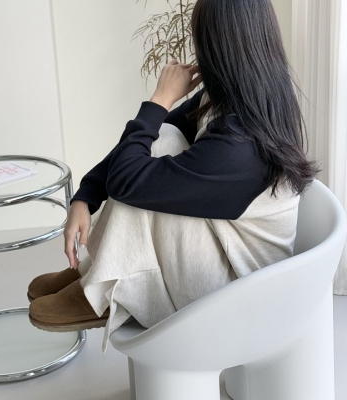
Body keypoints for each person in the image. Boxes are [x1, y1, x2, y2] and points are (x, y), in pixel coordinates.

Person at [27, 0, 317, 350]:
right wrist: (85, 196)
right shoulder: (243, 100)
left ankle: (102, 288)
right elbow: (149, 137)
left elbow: (127, 177)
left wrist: (160, 99)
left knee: (148, 160)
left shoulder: (239, 146)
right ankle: (99, 271)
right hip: (227, 253)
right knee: (162, 137)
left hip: (240, 291)